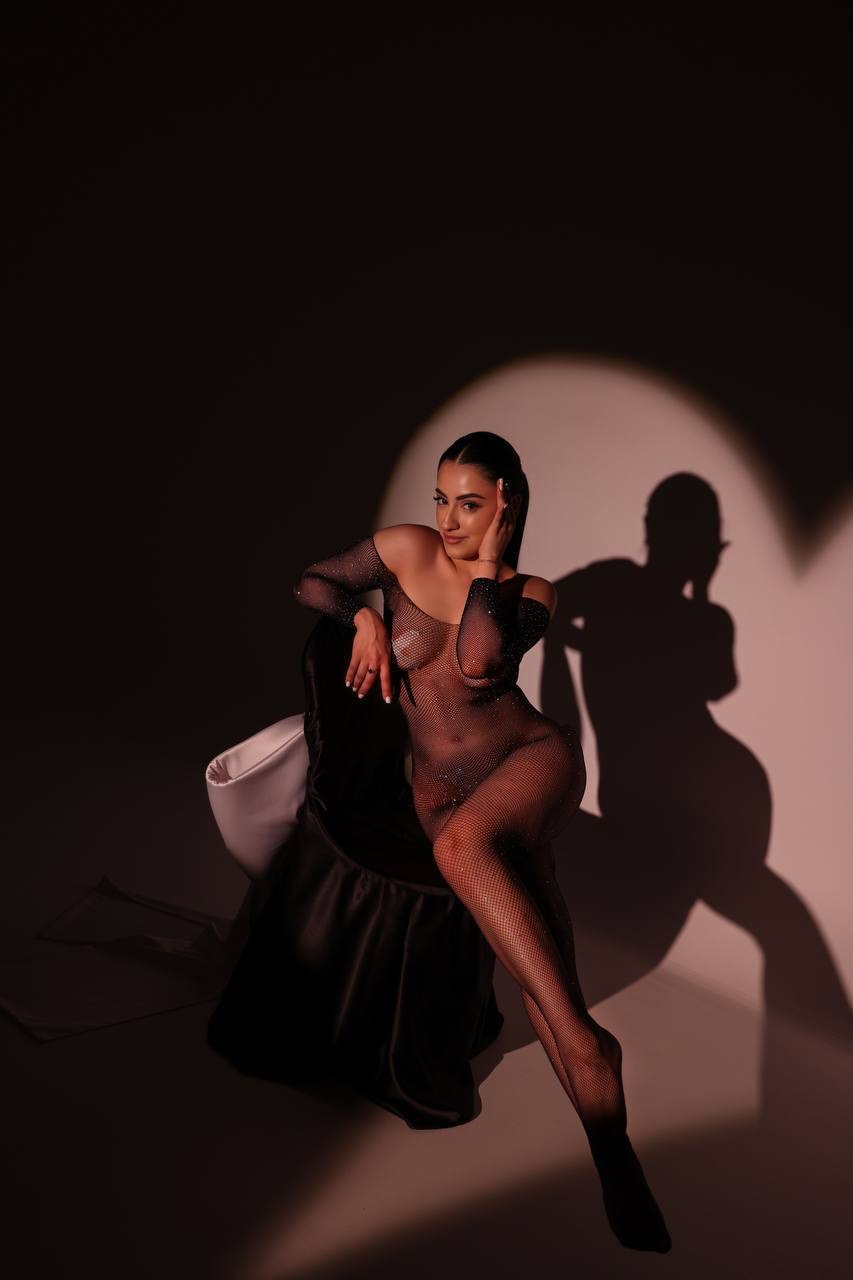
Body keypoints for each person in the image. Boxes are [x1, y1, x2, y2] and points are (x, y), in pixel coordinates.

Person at [292, 431, 672, 1253]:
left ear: (506, 502)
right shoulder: (404, 549)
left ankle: (584, 1047)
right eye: (441, 499)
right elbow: (312, 581)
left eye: (469, 503)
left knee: (462, 852)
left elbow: (474, 662)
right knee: (541, 964)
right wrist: (363, 616)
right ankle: (609, 1142)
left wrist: (490, 564)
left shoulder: (531, 592)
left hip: (530, 764)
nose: (448, 520)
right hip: (443, 794)